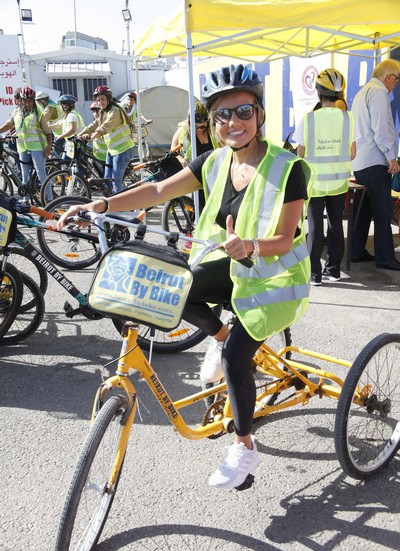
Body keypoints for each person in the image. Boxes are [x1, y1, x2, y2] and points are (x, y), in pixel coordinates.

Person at [57, 64, 312, 490]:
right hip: (233, 267)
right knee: (179, 288)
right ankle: (220, 335)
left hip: (274, 281)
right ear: (211, 123)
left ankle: (244, 447)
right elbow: (158, 191)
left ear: (260, 115)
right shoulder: (212, 161)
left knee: (235, 362)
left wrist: (250, 245)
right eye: (223, 115)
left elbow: (286, 238)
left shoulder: (289, 168)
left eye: (244, 111)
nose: (234, 122)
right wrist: (99, 205)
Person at [294, 68, 356, 285]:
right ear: (340, 94)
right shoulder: (348, 118)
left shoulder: (308, 119)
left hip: (315, 184)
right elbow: (353, 152)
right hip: (339, 183)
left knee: (315, 228)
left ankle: (314, 274)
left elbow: (300, 153)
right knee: (336, 225)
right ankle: (334, 270)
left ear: (318, 92)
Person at [350, 58, 400, 270]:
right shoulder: (379, 92)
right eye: (396, 80)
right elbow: (380, 129)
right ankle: (385, 258)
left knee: (363, 211)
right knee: (382, 211)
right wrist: (391, 157)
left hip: (361, 160)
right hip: (375, 160)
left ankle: (356, 251)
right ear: (388, 77)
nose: (396, 84)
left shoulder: (362, 92)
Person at [0, 86, 52, 205]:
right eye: (25, 101)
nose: (28, 103)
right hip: (22, 146)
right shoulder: (17, 111)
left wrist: (48, 146)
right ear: (21, 101)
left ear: (33, 100)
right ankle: (26, 199)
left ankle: (49, 198)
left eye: (30, 101)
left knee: (40, 173)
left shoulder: (38, 112)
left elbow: (48, 132)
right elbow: (8, 125)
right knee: (24, 174)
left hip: (38, 147)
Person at [80, 86, 135, 193]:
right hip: (112, 150)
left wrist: (91, 137)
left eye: (103, 99)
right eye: (98, 100)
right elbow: (94, 124)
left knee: (115, 180)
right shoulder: (103, 112)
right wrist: (80, 134)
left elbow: (105, 127)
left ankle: (120, 206)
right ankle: (110, 201)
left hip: (123, 150)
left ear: (109, 99)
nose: (100, 102)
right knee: (106, 179)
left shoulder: (115, 111)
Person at [171, 101, 219, 214]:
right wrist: (182, 160)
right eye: (195, 126)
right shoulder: (182, 130)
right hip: (195, 172)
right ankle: (193, 227)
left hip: (212, 172)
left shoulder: (213, 129)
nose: (199, 130)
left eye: (202, 127)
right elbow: (173, 150)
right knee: (198, 206)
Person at [50, 94, 84, 160]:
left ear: (65, 106)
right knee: (67, 163)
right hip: (71, 143)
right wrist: (46, 126)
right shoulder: (68, 115)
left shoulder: (71, 115)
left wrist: (61, 136)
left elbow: (72, 130)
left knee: (70, 164)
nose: (60, 106)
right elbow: (59, 125)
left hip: (76, 143)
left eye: (60, 104)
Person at [35, 90, 64, 156]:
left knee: (55, 154)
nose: (38, 104)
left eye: (38, 101)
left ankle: (60, 166)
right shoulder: (51, 104)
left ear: (43, 100)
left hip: (61, 134)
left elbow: (42, 121)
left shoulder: (50, 108)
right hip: (58, 133)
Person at [89, 101, 107, 170]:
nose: (93, 114)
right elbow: (88, 128)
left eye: (95, 112)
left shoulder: (104, 122)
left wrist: (91, 137)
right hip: (98, 154)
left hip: (105, 156)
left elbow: (99, 132)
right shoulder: (96, 122)